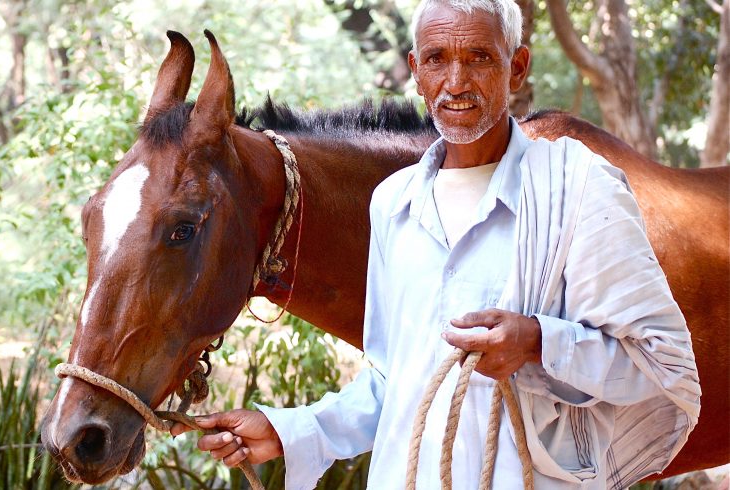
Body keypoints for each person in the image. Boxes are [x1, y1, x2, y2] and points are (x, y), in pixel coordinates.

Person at [171, 0, 701, 488]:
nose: (456, 82)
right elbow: (396, 381)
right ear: (415, 72)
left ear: (516, 68)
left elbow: (664, 370)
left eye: (479, 59)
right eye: (437, 59)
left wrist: (540, 343)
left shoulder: (580, 188)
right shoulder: (393, 202)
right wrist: (288, 431)